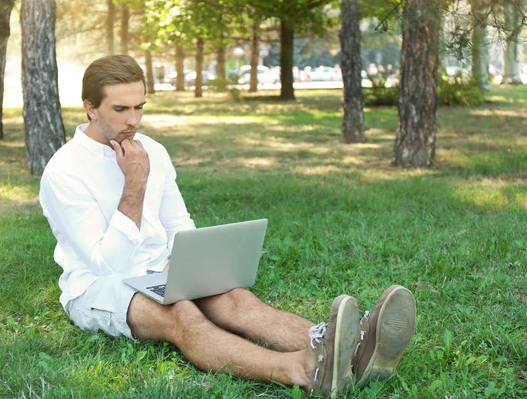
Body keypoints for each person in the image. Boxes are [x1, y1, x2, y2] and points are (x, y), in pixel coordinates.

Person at [39, 55, 417, 398]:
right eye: (120, 109)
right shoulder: (64, 171)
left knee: (237, 300)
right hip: (97, 287)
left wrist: (183, 262)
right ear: (90, 108)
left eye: (139, 107)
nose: (133, 121)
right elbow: (109, 266)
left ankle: (351, 349)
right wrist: (134, 184)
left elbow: (179, 225)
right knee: (181, 313)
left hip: (160, 270)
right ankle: (301, 369)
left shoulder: (153, 150)